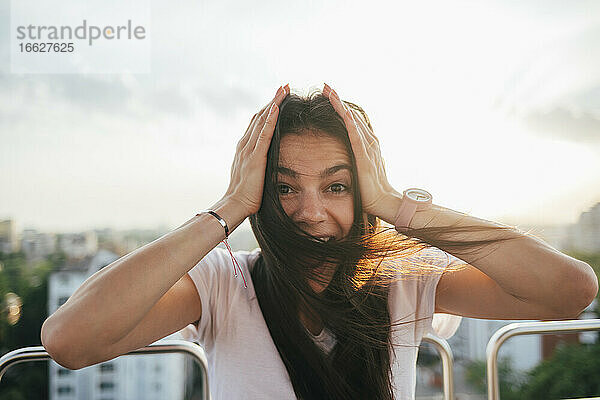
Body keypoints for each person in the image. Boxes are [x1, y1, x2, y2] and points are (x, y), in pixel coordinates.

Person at [41, 83, 598, 400]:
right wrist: (229, 207)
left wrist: (397, 206)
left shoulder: (402, 279)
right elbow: (70, 340)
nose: (310, 212)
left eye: (337, 186)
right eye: (284, 187)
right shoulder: (223, 284)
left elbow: (568, 291)